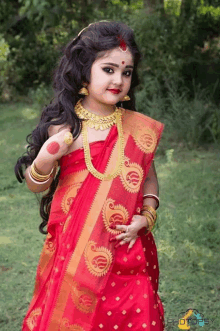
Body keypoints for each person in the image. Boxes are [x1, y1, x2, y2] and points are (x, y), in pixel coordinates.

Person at [15, 20, 165, 331]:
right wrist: (45, 158)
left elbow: (149, 178)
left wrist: (147, 217)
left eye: (126, 72)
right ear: (84, 70)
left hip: (125, 244)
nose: (118, 80)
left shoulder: (135, 128)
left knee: (130, 312)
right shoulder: (64, 125)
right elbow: (34, 182)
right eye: (108, 69)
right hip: (74, 248)